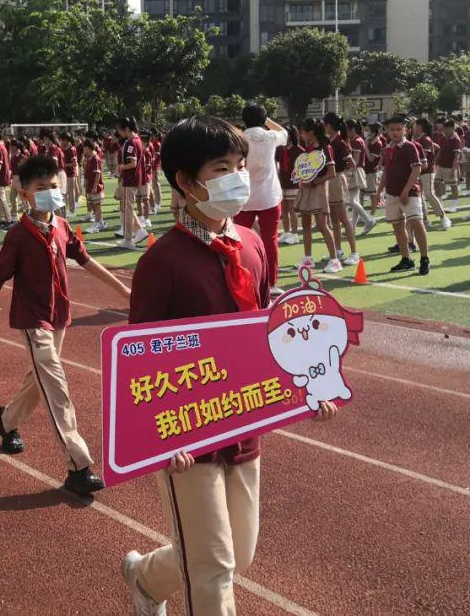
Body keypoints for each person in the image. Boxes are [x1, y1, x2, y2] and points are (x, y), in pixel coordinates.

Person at [121, 115, 339, 616]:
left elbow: (267, 333)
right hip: (185, 435)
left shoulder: (254, 244)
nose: (239, 177)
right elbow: (138, 360)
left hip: (243, 422)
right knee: (213, 568)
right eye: (223, 168)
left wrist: (312, 384)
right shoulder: (163, 262)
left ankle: (146, 578)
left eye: (241, 165)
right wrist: (159, 438)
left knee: (238, 552)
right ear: (185, 180)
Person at [0, 154, 129, 495]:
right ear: (26, 194)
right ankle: (78, 464)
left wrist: (122, 288)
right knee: (56, 386)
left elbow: (86, 261)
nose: (50, 192)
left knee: (39, 380)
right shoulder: (18, 235)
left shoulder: (61, 227)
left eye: (54, 185)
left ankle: (6, 422)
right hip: (33, 321)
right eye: (41, 187)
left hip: (59, 316)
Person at [236, 104, 288, 294]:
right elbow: (284, 132)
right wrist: (267, 120)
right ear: (263, 120)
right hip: (268, 196)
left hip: (243, 196)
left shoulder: (239, 138)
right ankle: (272, 283)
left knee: (238, 239)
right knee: (270, 240)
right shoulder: (270, 136)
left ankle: (239, 279)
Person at [375, 115, 430, 275]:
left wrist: (406, 191)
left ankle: (424, 258)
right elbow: (386, 171)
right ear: (387, 131)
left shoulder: (410, 147)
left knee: (416, 223)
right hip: (392, 194)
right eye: (392, 130)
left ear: (406, 130)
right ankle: (406, 259)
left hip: (410, 194)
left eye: (399, 129)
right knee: (398, 226)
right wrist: (379, 192)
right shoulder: (387, 148)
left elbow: (417, 169)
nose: (395, 133)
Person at [295, 119, 341, 273]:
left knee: (322, 225)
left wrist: (314, 182)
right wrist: (301, 178)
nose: (301, 135)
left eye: (303, 131)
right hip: (307, 188)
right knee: (306, 224)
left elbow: (331, 173)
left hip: (319, 189)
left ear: (311, 132)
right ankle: (308, 258)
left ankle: (334, 260)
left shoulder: (325, 148)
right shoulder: (307, 148)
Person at [321, 114, 362, 267]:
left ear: (329, 125)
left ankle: (354, 252)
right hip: (330, 180)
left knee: (343, 218)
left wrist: (343, 171)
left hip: (337, 179)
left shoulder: (339, 142)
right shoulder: (330, 141)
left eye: (324, 124)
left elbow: (351, 162)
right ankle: (338, 250)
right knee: (333, 219)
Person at [413, 118, 451, 230]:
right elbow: (437, 148)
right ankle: (424, 220)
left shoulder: (425, 139)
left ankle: (443, 218)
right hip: (420, 171)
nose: (414, 128)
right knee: (419, 195)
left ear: (420, 127)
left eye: (416, 126)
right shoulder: (420, 138)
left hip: (427, 171)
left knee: (429, 194)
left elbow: (422, 157)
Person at [116, 117, 147, 248]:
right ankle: (139, 231)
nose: (119, 133)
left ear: (126, 129)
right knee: (127, 207)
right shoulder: (136, 140)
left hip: (130, 179)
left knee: (127, 209)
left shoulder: (131, 142)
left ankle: (128, 239)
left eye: (120, 130)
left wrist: (122, 167)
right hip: (133, 178)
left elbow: (132, 163)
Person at [278, 125, 303, 246]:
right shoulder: (280, 149)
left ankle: (295, 234)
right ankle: (286, 232)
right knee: (284, 209)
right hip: (282, 182)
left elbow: (304, 166)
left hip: (293, 183)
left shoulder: (299, 150)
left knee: (293, 210)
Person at [436, 119, 463, 214]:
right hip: (440, 165)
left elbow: (457, 155)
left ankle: (453, 206)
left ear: (452, 128)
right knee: (437, 184)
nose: (445, 131)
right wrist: (436, 162)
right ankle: (439, 205)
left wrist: (454, 168)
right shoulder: (444, 138)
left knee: (453, 186)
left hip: (449, 166)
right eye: (444, 129)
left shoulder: (456, 139)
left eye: (447, 129)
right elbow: (440, 150)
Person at [82, 138, 106, 233]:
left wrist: (95, 186)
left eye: (84, 148)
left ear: (88, 148)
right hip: (90, 185)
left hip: (95, 186)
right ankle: (100, 222)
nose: (84, 150)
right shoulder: (89, 158)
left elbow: (97, 173)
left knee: (97, 205)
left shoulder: (95, 158)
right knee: (93, 204)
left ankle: (98, 224)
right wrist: (86, 181)